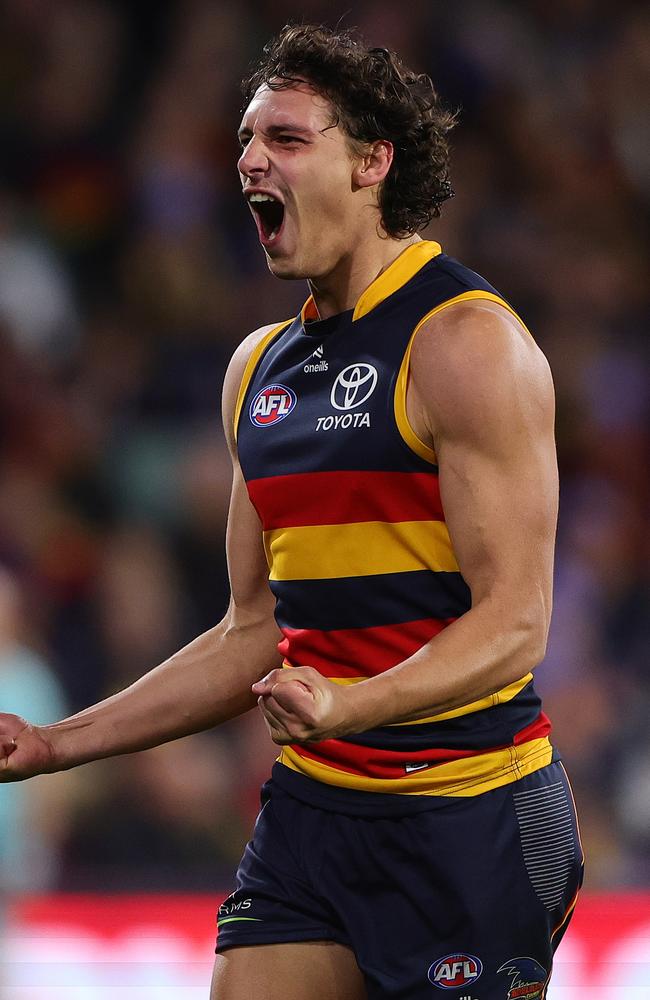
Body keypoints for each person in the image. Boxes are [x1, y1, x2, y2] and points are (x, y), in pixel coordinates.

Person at [0, 24, 583, 1000]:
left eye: (285, 137)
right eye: (244, 139)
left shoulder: (466, 344)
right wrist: (58, 743)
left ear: (370, 161)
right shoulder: (255, 372)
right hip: (316, 820)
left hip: (468, 820)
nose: (249, 160)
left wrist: (350, 703)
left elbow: (515, 621)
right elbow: (253, 631)